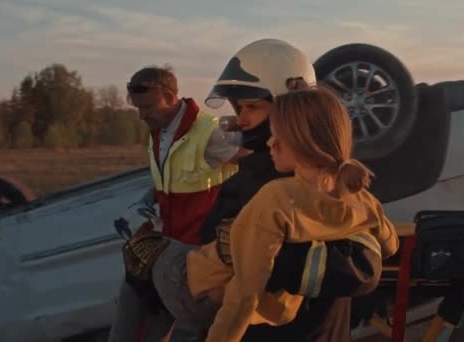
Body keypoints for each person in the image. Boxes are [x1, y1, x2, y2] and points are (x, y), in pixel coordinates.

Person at [118, 63, 399, 342]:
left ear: (297, 136)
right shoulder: (357, 194)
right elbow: (390, 244)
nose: (242, 120)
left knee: (140, 255)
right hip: (281, 312)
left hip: (201, 284)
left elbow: (243, 296)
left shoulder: (272, 194)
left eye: (252, 108)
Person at [108, 65, 245, 342]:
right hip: (167, 250)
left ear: (171, 97)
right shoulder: (159, 133)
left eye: (147, 106)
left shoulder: (208, 133)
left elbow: (257, 164)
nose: (142, 115)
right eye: (138, 108)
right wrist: (145, 204)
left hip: (200, 258)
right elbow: (170, 182)